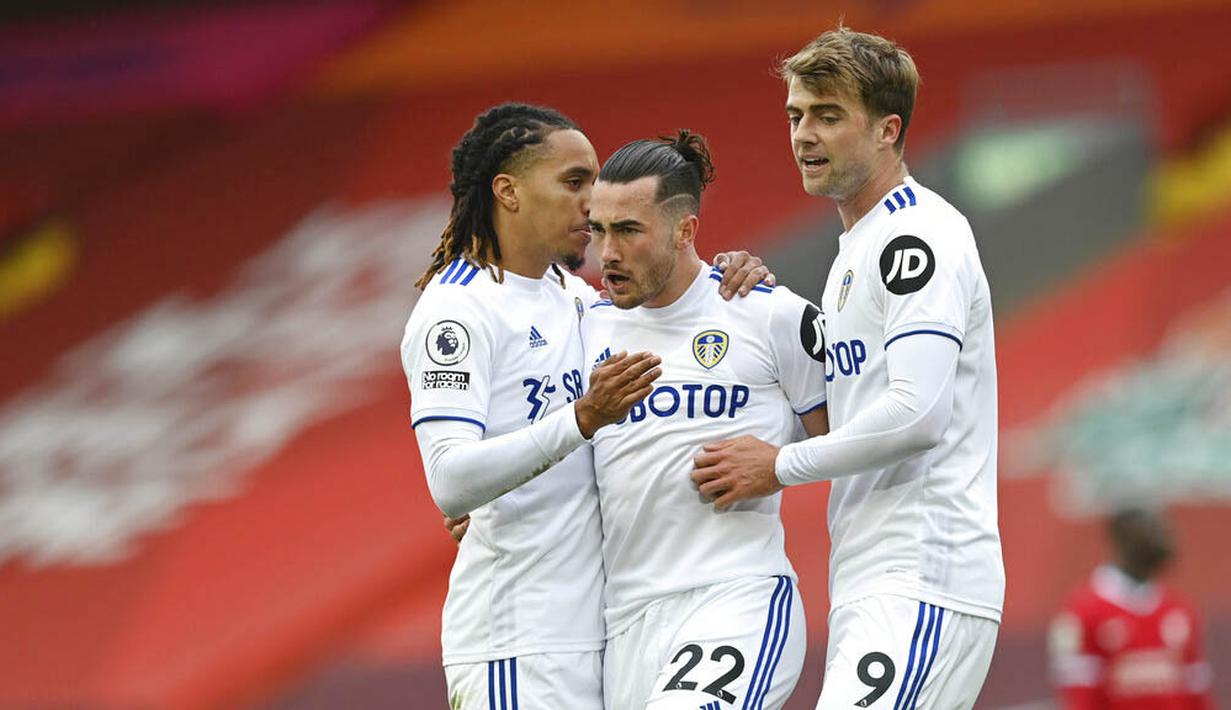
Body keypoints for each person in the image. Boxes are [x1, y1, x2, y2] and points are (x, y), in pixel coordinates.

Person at [402, 102, 774, 709]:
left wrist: (728, 274)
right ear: (509, 191)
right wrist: (581, 420)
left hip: (596, 639)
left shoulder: (575, 297)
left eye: (595, 183)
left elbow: (672, 304)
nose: (591, 202)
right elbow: (449, 480)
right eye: (574, 182)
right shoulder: (458, 311)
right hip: (514, 644)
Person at [690, 27, 1005, 708]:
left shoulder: (915, 236)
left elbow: (917, 415)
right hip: (876, 574)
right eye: (796, 116)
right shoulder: (857, 250)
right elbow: (847, 411)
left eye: (828, 116)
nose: (804, 134)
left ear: (888, 129)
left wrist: (773, 465)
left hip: (924, 569)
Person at [585, 130, 829, 710]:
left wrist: (780, 465)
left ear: (685, 229)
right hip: (624, 622)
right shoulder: (582, 326)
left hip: (734, 598)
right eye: (598, 229)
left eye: (628, 230)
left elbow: (859, 441)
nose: (607, 252)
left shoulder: (769, 315)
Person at [1050, 507, 1214, 708]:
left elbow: (1198, 695)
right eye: (1154, 528)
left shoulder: (1179, 611)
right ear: (1123, 535)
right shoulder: (1082, 613)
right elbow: (1080, 697)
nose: (1166, 538)